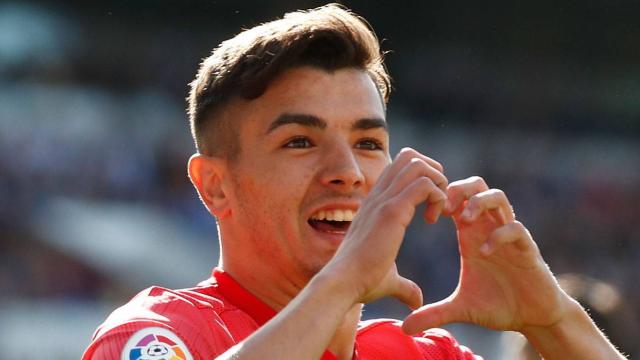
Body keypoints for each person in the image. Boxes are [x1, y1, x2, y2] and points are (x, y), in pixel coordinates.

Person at [82, 4, 626, 359]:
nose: (346, 172)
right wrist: (341, 282)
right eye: (300, 141)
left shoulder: (419, 354)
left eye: (368, 143)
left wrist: (553, 320)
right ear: (215, 186)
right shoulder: (160, 332)